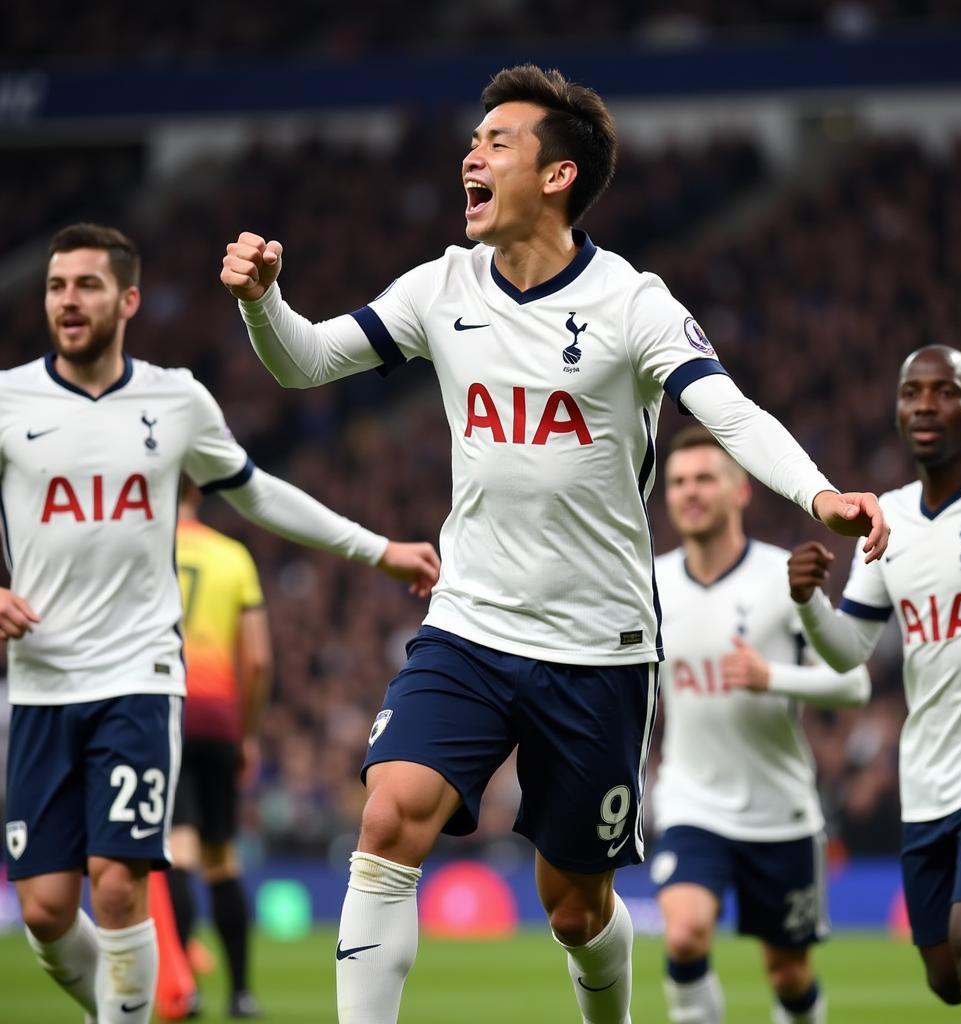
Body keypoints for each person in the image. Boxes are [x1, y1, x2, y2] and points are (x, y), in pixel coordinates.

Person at [220, 65, 889, 1024]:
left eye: (498, 142)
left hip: (598, 648)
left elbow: (726, 410)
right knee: (387, 816)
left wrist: (817, 492)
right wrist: (263, 303)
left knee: (575, 907)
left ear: (558, 174)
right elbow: (309, 359)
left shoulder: (631, 302)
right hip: (470, 623)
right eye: (474, 140)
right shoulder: (441, 285)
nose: (472, 154)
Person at [0, 222, 440, 1024]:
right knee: (46, 912)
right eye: (57, 285)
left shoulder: (174, 401)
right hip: (37, 687)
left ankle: (131, 1013)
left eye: (88, 285)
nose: (69, 300)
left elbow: (257, 491)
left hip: (140, 678)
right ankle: (117, 1004)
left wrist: (377, 550)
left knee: (120, 881)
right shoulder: (9, 402)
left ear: (127, 299)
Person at [787, 345, 961, 1024]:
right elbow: (848, 652)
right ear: (896, 412)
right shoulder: (887, 518)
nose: (924, 404)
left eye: (944, 392)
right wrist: (809, 603)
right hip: (926, 779)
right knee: (950, 975)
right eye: (911, 392)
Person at [649, 426, 870, 1024]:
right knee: (685, 936)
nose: (689, 492)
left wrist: (770, 676)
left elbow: (855, 683)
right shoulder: (651, 584)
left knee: (789, 973)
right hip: (692, 801)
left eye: (704, 479)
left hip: (780, 811)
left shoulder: (782, 576)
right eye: (678, 482)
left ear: (739, 491)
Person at [163, 478, 270, 1019]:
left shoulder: (145, 544)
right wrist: (246, 734)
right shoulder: (233, 557)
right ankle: (242, 993)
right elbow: (256, 660)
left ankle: (185, 989)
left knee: (178, 852)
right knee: (222, 858)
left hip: (162, 711)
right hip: (218, 718)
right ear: (198, 493)